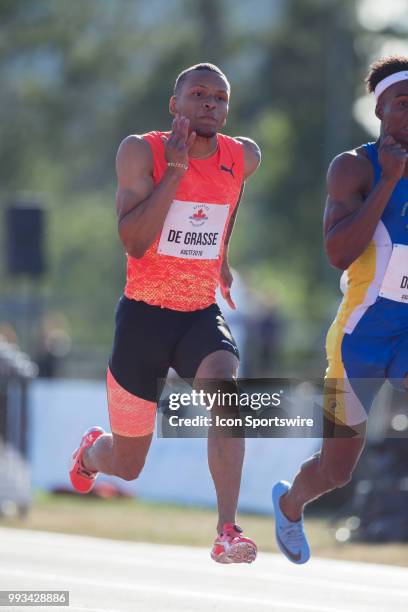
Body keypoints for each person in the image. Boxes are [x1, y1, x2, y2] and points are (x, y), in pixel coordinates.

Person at [69, 63, 261, 564]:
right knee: (128, 465)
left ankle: (226, 530)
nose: (209, 104)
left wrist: (219, 257)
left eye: (220, 97)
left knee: (226, 393)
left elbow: (230, 200)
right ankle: (92, 451)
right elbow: (133, 243)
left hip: (199, 313)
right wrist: (174, 171)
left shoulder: (244, 156)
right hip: (143, 319)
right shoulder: (142, 151)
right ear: (173, 105)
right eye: (197, 94)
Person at [272, 56, 408, 564]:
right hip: (360, 337)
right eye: (403, 102)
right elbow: (337, 254)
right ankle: (289, 502)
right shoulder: (354, 167)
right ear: (380, 110)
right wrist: (390, 182)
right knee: (336, 470)